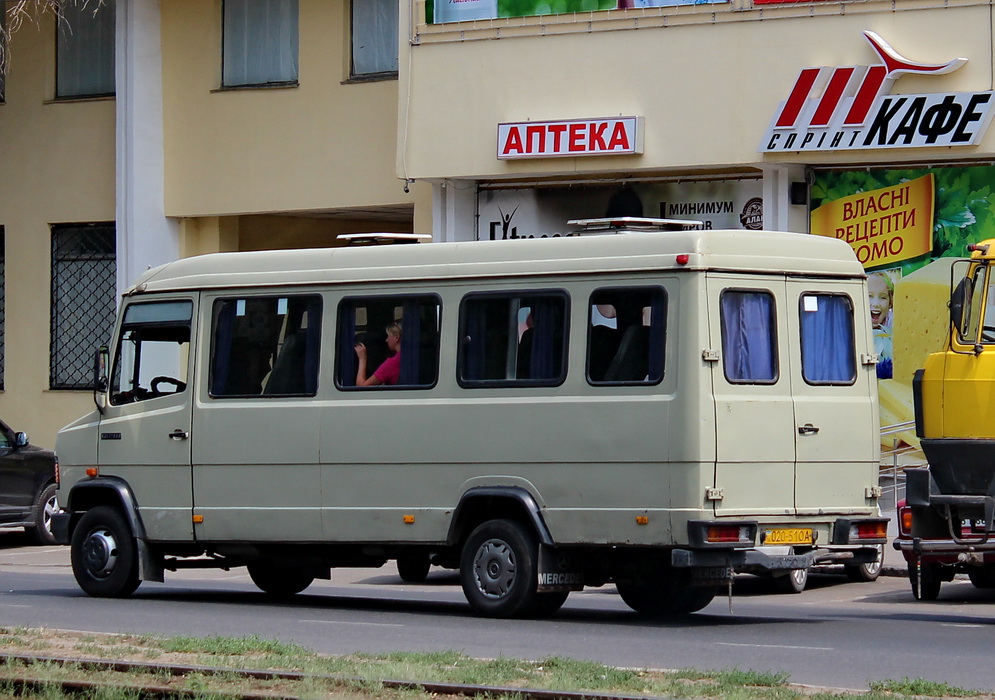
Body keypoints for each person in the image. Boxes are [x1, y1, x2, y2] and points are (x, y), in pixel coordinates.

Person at [355, 321, 401, 386]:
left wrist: (362, 359)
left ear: (396, 337)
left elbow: (361, 386)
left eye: (388, 336)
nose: (386, 340)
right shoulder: (409, 357)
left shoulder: (393, 362)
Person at [868, 272, 894, 379]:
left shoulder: (893, 333)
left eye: (883, 297)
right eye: (869, 296)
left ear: (890, 303)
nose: (875, 303)